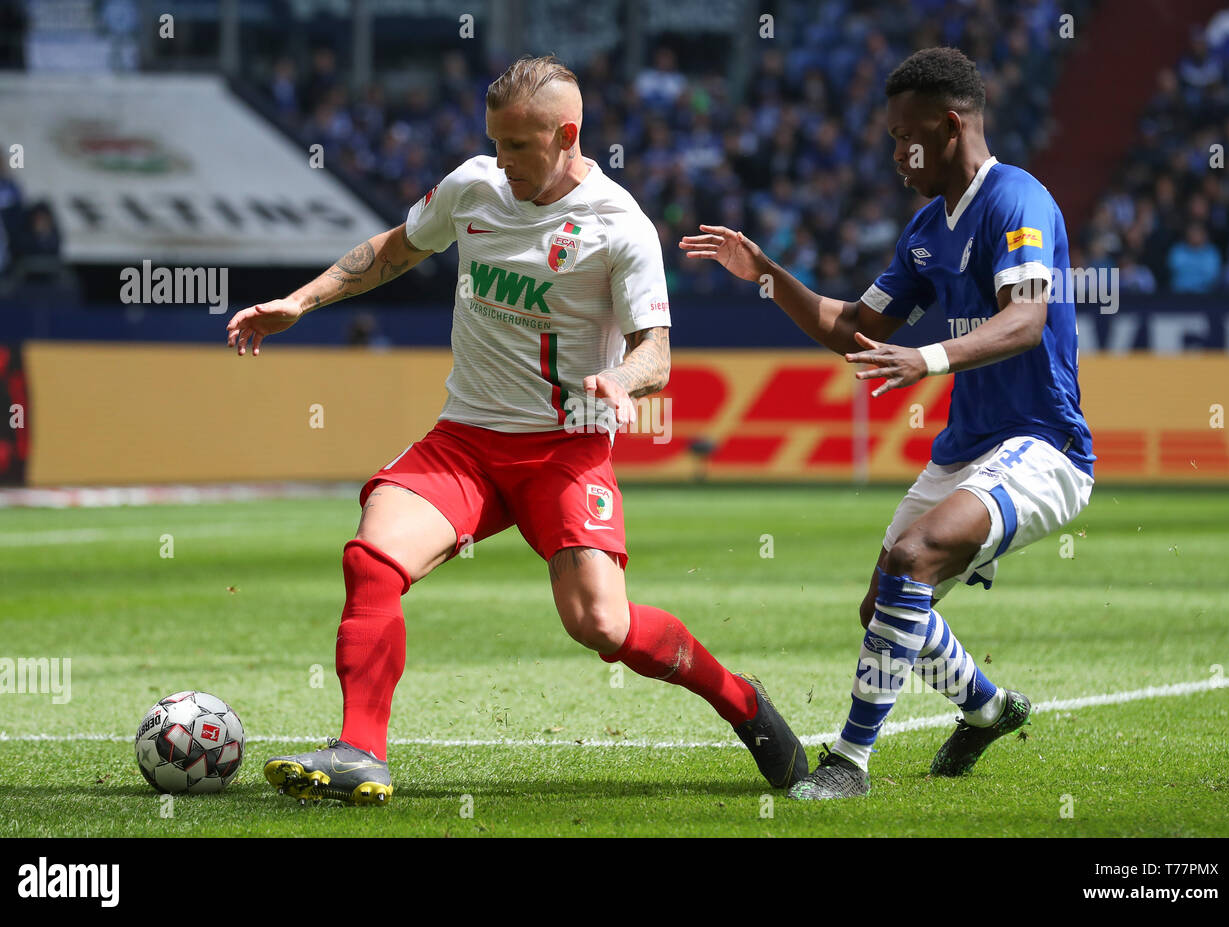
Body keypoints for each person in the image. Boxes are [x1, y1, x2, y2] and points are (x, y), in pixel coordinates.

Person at [226, 55, 806, 805]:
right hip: (465, 438)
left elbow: (654, 352)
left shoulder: (618, 226)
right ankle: (361, 750)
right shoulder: (474, 186)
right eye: (495, 143)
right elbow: (398, 247)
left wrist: (620, 381)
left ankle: (742, 701)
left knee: (600, 623)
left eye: (520, 147)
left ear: (568, 135)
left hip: (564, 447)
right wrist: (298, 303)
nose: (503, 162)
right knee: (372, 557)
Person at [680, 47, 1094, 800]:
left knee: (913, 558)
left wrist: (928, 358)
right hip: (968, 446)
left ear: (949, 126)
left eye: (903, 137)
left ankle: (848, 762)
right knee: (883, 606)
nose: (895, 156)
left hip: (1045, 446)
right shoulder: (928, 229)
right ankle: (989, 708)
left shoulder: (1019, 200)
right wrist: (767, 273)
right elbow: (857, 326)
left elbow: (1026, 318)